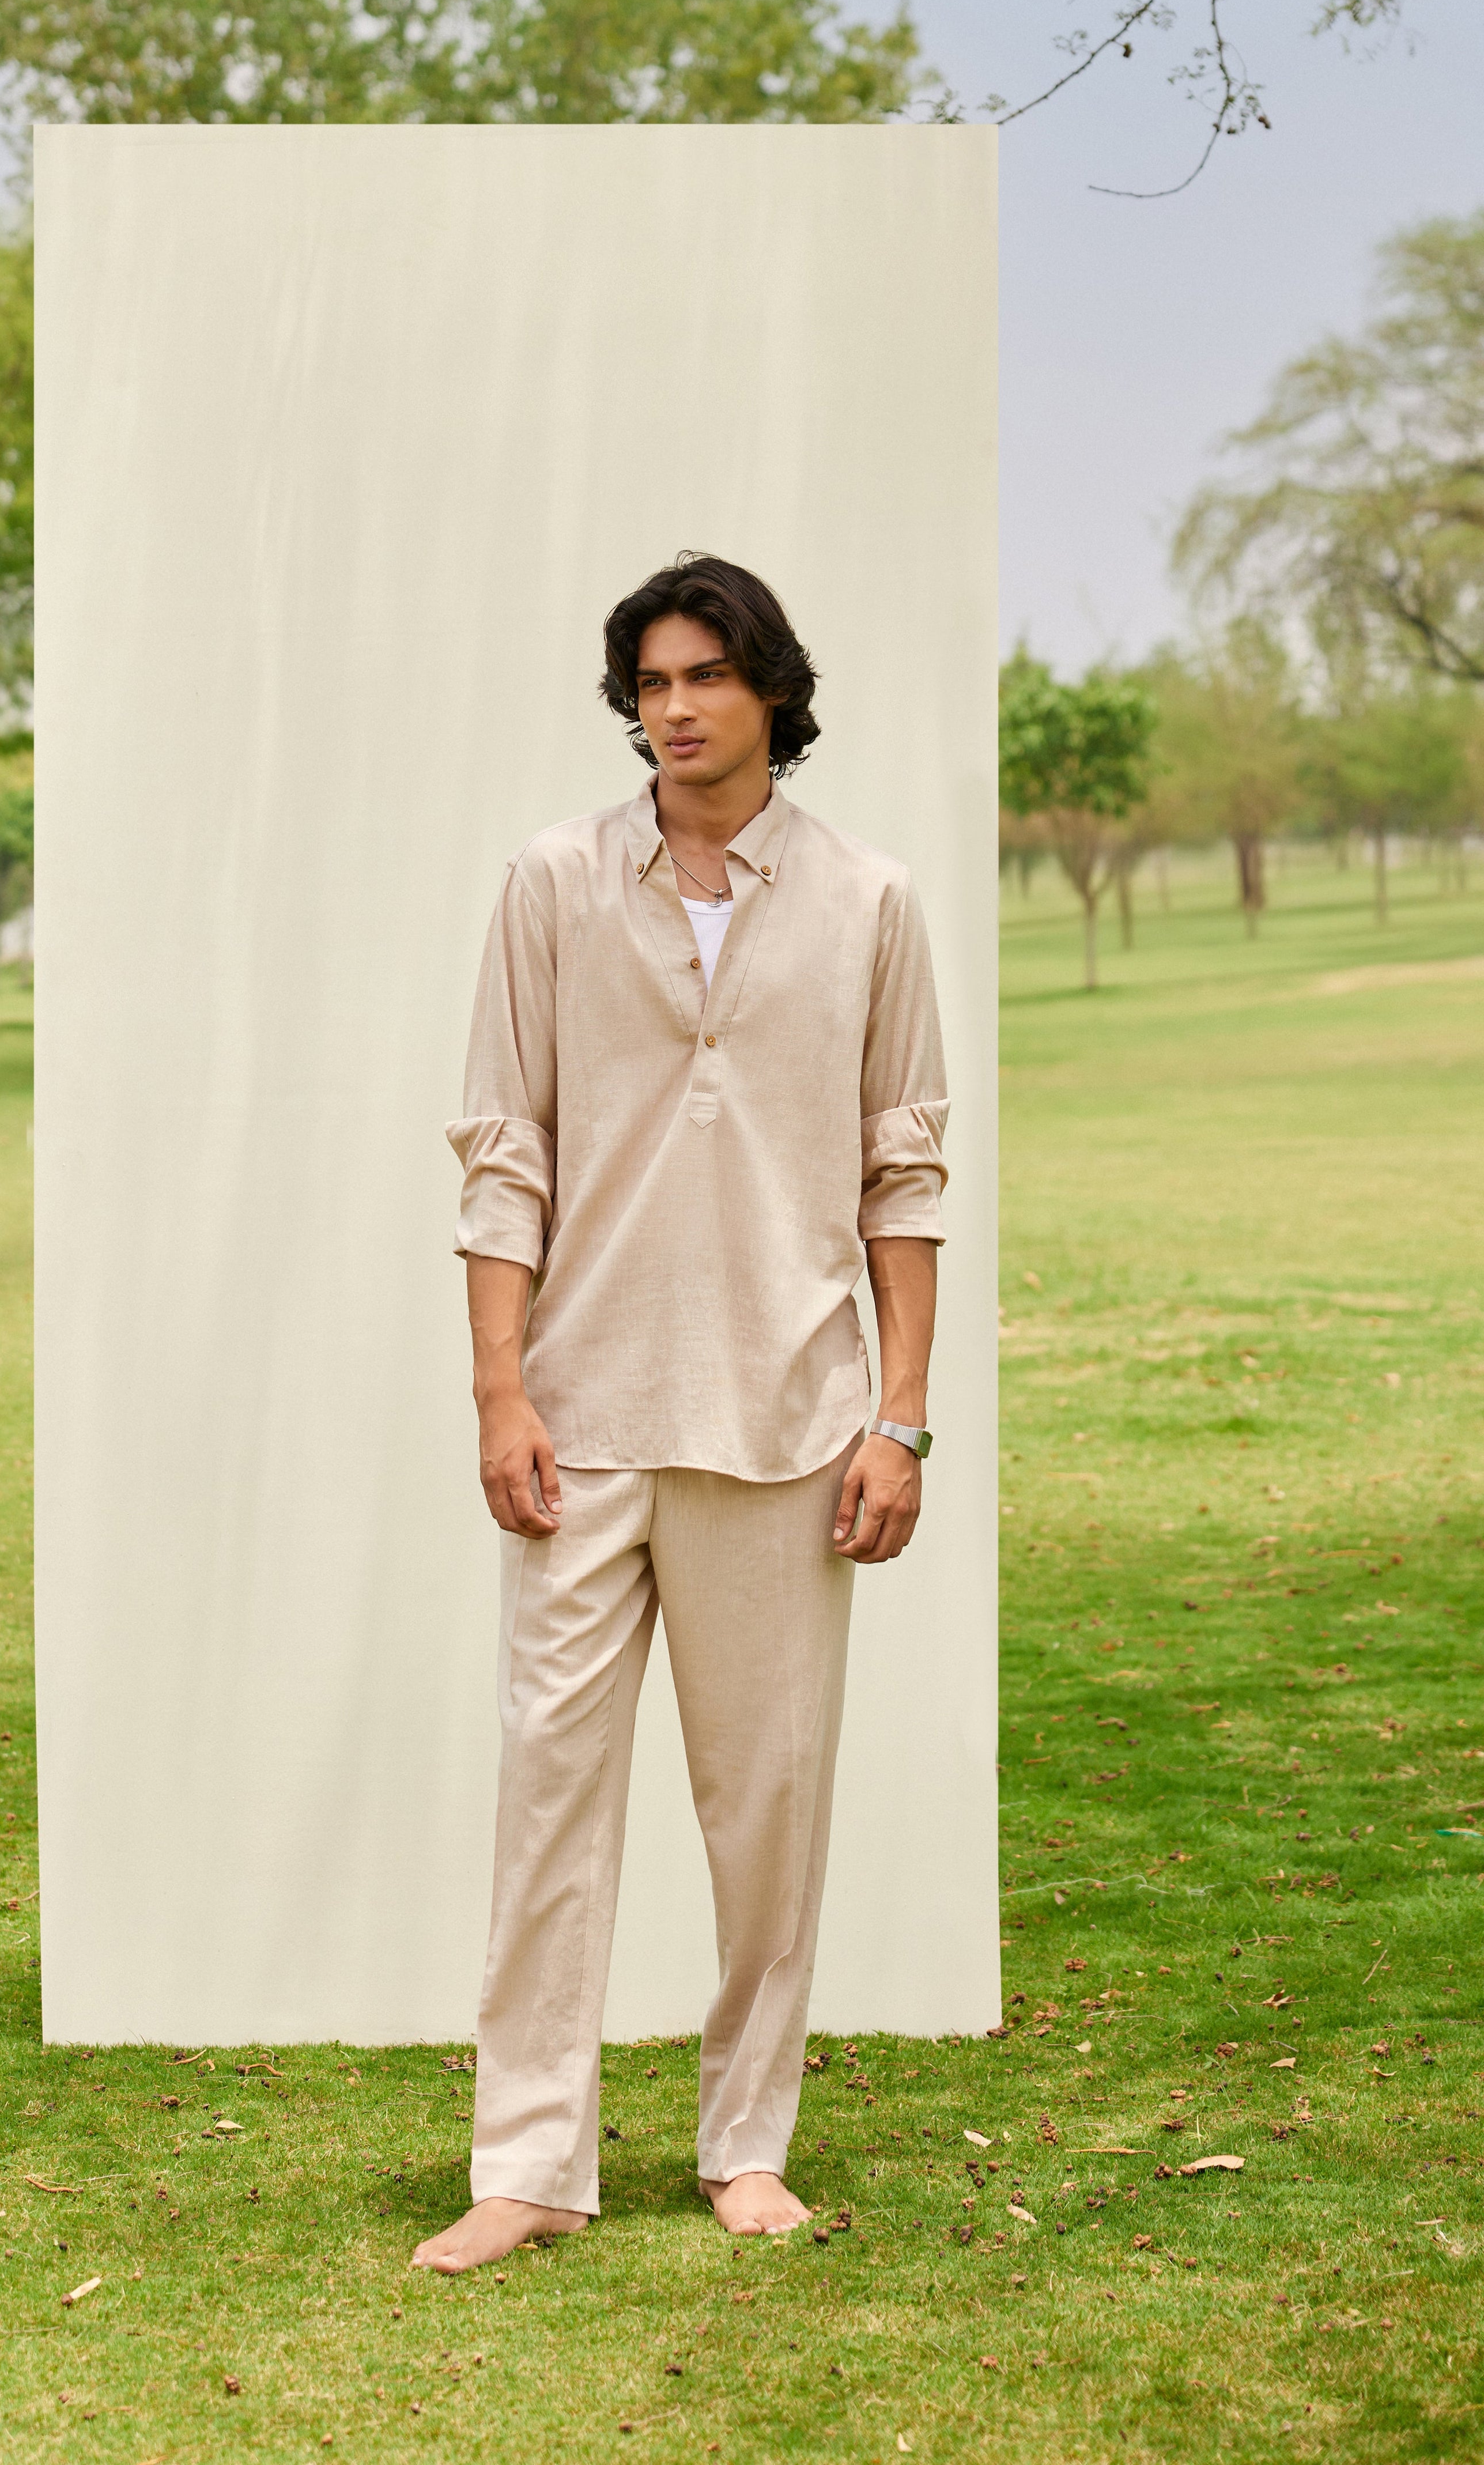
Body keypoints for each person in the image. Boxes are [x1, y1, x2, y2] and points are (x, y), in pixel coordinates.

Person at [413, 553, 947, 2275]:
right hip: (582, 1414)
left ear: (773, 691)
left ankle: (747, 2144)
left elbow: (903, 1173)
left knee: (768, 1812)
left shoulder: (870, 903)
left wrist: (901, 1418)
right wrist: (499, 1388)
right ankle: (529, 2163)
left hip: (791, 1418)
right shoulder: (553, 885)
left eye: (708, 675)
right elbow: (504, 1148)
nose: (677, 708)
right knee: (548, 1798)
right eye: (651, 682)